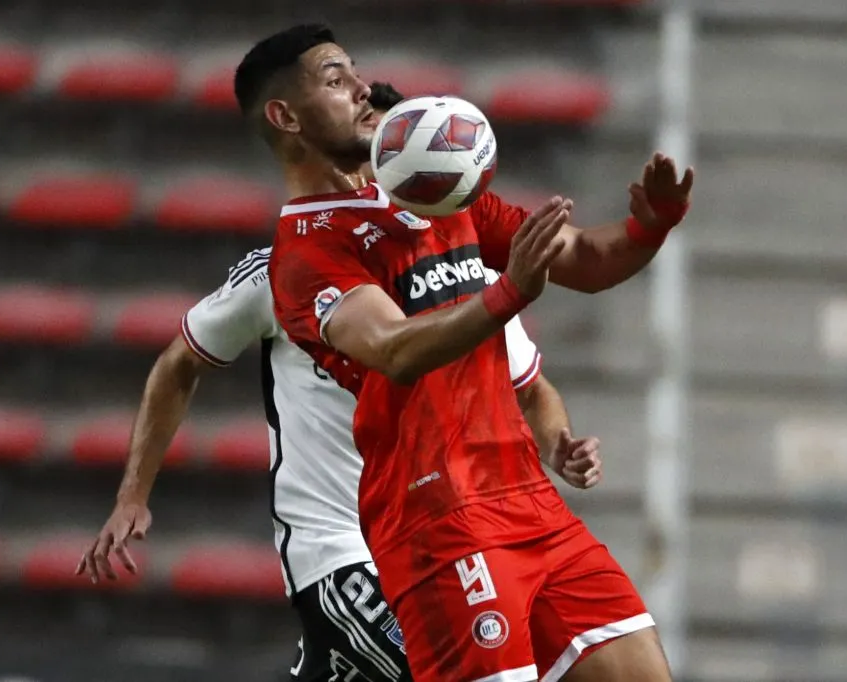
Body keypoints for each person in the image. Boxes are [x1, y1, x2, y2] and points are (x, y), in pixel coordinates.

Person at [74, 82, 603, 682]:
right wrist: (132, 495)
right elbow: (180, 361)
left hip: (450, 539)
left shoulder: (468, 275)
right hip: (342, 552)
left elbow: (531, 388)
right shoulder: (287, 267)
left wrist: (558, 443)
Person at [250, 23, 692, 682]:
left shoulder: (442, 200)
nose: (362, 87)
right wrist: (509, 290)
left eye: (356, 72)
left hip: (529, 502)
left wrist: (648, 227)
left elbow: (583, 259)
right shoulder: (308, 251)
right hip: (437, 520)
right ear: (286, 115)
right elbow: (392, 349)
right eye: (336, 80)